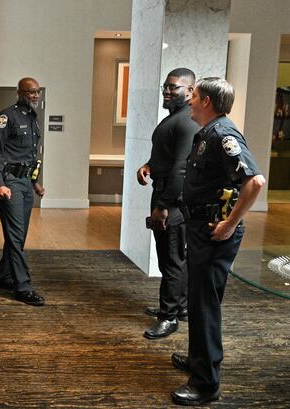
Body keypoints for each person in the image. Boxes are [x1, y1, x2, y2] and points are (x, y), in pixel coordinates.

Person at [170, 77, 266, 406]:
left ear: (206, 101)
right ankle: (201, 359)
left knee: (204, 306)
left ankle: (206, 383)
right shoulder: (209, 133)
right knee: (199, 303)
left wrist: (230, 223)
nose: (189, 99)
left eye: (193, 95)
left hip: (214, 233)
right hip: (202, 229)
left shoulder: (223, 135)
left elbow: (255, 182)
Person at [136, 68, 200, 339]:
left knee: (171, 260)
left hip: (171, 199)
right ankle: (180, 307)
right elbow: (169, 156)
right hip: (164, 191)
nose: (167, 91)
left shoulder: (187, 121)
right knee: (176, 258)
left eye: (173, 87)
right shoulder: (175, 118)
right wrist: (149, 165)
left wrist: (163, 205)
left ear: (190, 91)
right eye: (165, 86)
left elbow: (181, 168)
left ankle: (169, 317)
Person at [0, 77, 46, 306]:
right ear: (19, 92)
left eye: (37, 92)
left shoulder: (33, 118)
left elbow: (31, 156)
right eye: (30, 92)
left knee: (19, 235)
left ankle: (4, 277)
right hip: (9, 181)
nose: (34, 95)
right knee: (14, 234)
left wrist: (35, 182)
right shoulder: (6, 117)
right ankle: (23, 287)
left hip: (24, 182)